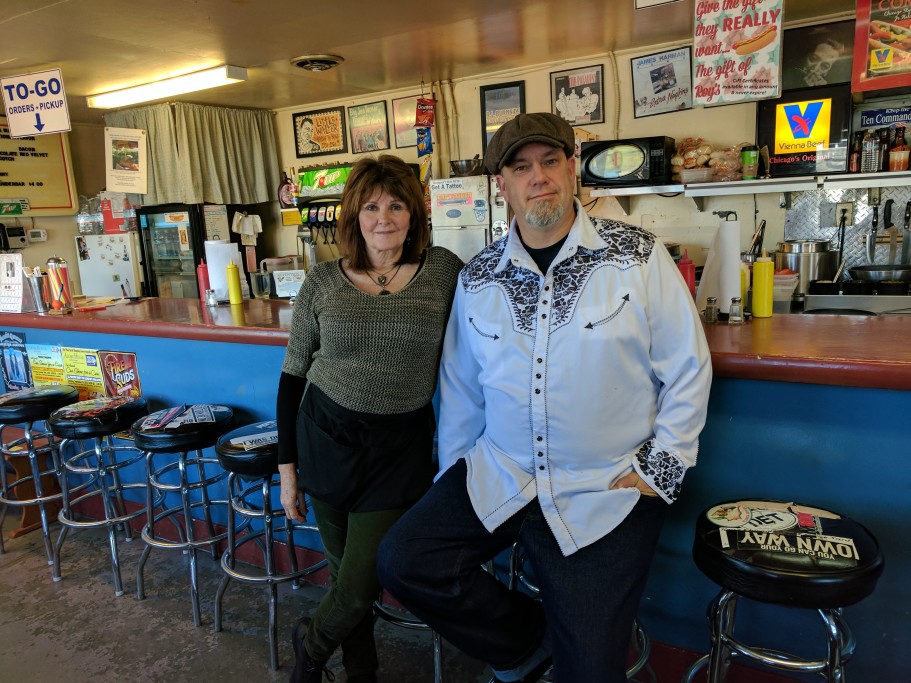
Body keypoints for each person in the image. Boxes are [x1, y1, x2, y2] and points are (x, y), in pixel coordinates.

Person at [376, 113, 712, 682]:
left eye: (551, 161)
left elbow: (687, 366)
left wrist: (663, 466)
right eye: (521, 167)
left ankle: (568, 644)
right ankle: (528, 644)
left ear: (573, 170)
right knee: (404, 561)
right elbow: (461, 387)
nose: (539, 177)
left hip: (604, 485)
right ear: (501, 186)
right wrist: (456, 471)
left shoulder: (638, 255)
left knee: (590, 671)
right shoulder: (477, 277)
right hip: (501, 471)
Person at [277, 154, 463, 683]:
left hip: (399, 448)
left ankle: (309, 651)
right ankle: (362, 672)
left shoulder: (445, 271)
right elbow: (292, 378)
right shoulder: (321, 283)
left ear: (415, 215)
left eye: (397, 204)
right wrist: (288, 470)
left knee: (362, 581)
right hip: (326, 437)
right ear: (354, 216)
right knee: (343, 576)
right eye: (372, 206)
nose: (384, 217)